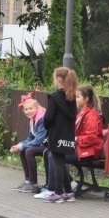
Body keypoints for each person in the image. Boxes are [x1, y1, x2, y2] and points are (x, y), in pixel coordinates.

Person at [38, 67, 78, 203]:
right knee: (61, 161)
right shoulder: (72, 97)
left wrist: (46, 126)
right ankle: (68, 192)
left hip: (56, 134)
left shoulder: (54, 97)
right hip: (68, 135)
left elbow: (48, 117)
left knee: (58, 163)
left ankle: (58, 193)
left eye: (55, 78)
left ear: (59, 79)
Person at [9, 93, 47, 193]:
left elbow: (39, 140)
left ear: (37, 108)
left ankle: (33, 184)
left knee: (29, 151)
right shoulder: (33, 119)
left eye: (31, 108)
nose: (28, 111)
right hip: (42, 144)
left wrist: (22, 146)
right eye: (26, 109)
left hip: (50, 145)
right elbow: (31, 137)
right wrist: (19, 145)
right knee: (23, 151)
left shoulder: (41, 119)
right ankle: (28, 181)